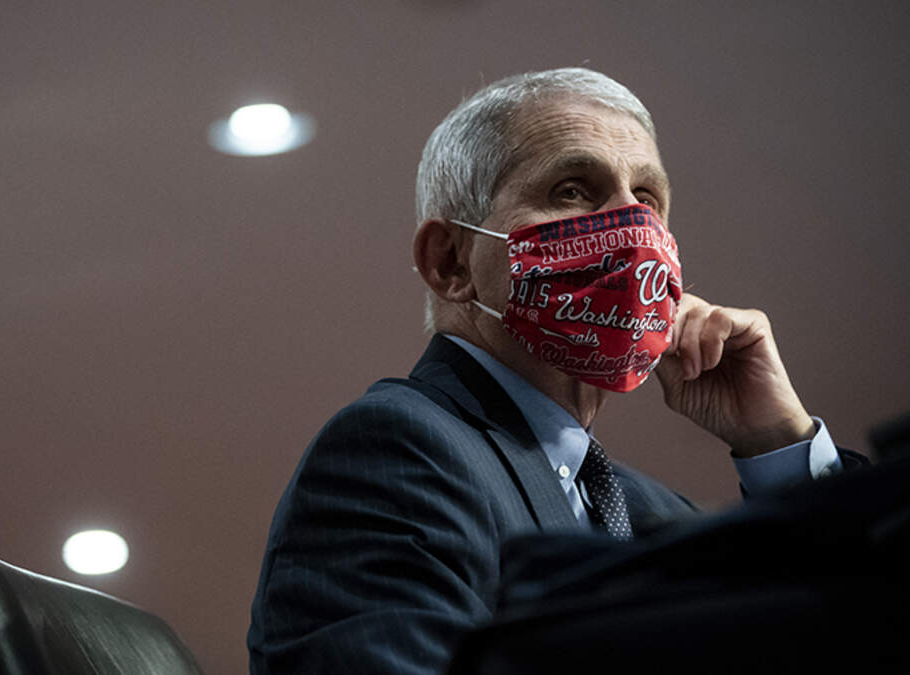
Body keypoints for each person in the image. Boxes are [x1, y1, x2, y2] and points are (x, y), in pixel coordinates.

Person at [246, 67, 858, 675]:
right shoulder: (396, 450)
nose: (634, 226)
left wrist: (777, 444)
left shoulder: (662, 516)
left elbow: (857, 637)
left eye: (647, 199)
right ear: (452, 262)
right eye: (572, 190)